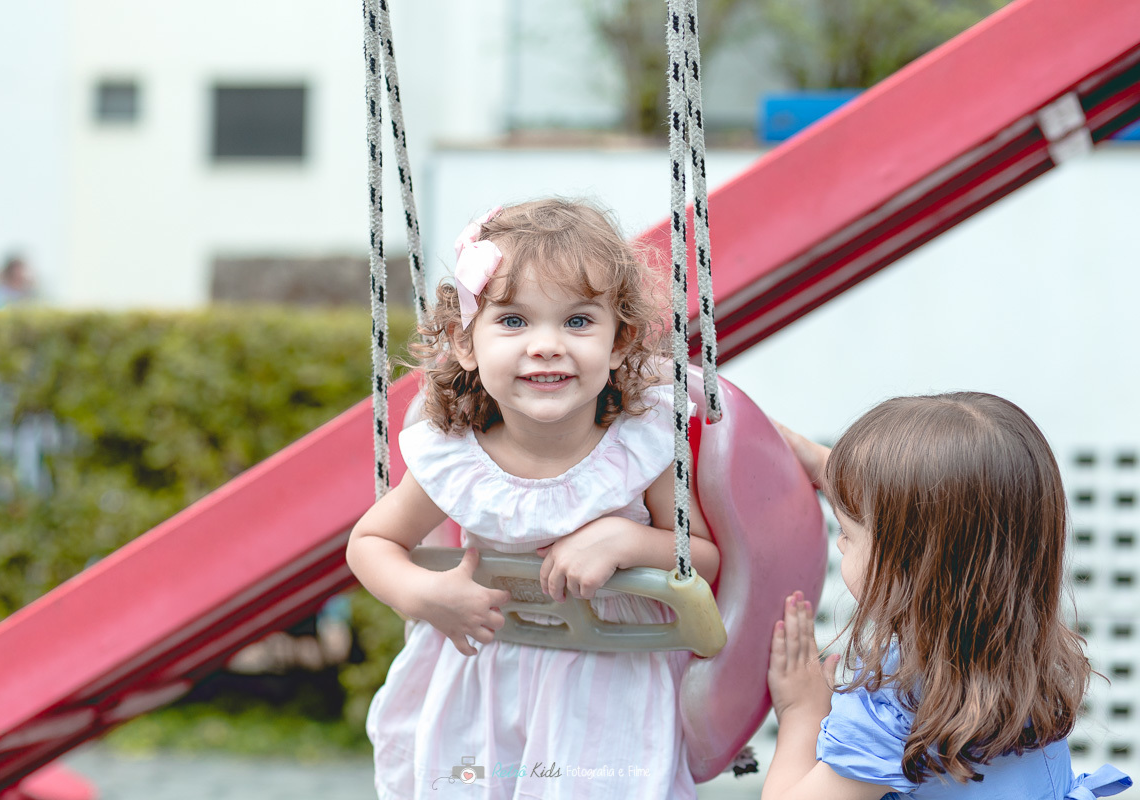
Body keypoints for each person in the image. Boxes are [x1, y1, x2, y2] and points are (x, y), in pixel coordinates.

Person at [347, 198, 720, 799]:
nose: (546, 345)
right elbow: (371, 542)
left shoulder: (642, 443)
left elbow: (701, 557)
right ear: (466, 343)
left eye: (577, 322)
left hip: (609, 682)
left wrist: (624, 539)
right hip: (486, 674)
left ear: (620, 341)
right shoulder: (458, 456)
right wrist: (425, 595)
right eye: (514, 321)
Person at [765, 394, 1133, 799]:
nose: (839, 545)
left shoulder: (895, 709)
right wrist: (824, 466)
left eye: (848, 533)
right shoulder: (1027, 656)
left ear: (909, 566)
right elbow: (945, 512)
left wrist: (801, 713)